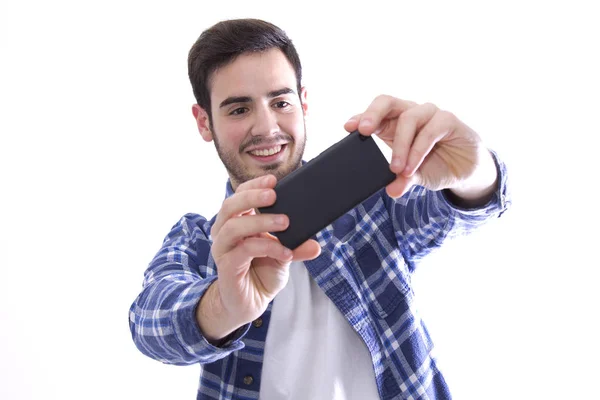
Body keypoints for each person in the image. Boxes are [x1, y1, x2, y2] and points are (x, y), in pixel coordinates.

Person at [128, 18, 510, 400]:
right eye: (239, 110)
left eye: (280, 102)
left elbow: (453, 213)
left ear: (303, 102)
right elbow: (148, 323)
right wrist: (224, 307)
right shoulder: (198, 240)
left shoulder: (372, 205)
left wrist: (476, 174)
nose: (267, 127)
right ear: (204, 122)